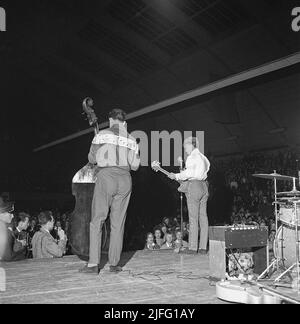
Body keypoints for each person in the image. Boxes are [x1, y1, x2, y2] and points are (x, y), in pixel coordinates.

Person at [80, 108, 140, 274]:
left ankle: (93, 264)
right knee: (118, 224)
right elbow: (135, 166)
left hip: (107, 178)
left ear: (111, 120)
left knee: (97, 220)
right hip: (125, 180)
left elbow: (91, 159)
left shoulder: (102, 134)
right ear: (124, 122)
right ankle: (114, 264)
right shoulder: (132, 139)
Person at [169, 137, 210, 254]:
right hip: (204, 186)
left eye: (185, 147)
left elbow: (189, 173)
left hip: (194, 186)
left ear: (191, 145)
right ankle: (203, 247)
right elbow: (207, 167)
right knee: (203, 217)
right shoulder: (203, 157)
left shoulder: (192, 157)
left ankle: (192, 248)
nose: (185, 149)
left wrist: (176, 176)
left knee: (193, 218)